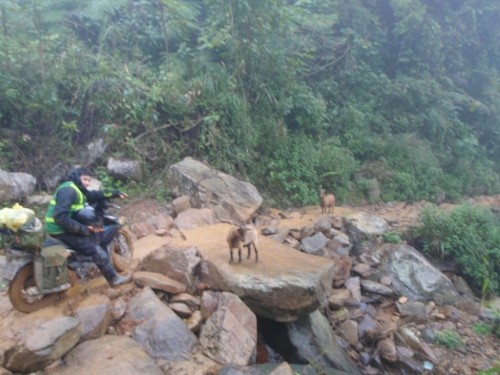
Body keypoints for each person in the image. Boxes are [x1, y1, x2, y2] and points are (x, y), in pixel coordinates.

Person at [44, 167, 132, 287]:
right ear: (77, 176)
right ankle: (114, 279)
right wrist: (82, 229)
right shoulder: (69, 190)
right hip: (60, 230)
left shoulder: (76, 189)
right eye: (84, 179)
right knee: (95, 249)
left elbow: (93, 195)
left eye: (88, 180)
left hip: (61, 228)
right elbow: (60, 217)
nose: (86, 182)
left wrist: (114, 193)